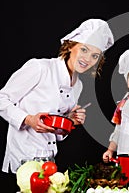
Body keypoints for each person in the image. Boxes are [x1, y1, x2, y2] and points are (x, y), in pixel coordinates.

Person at [0, 18, 114, 190]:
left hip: (49, 163)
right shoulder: (40, 68)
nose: (87, 59)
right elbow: (2, 99)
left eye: (94, 55)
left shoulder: (78, 85)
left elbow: (57, 134)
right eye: (84, 49)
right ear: (70, 46)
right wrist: (28, 119)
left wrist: (70, 121)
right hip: (22, 161)